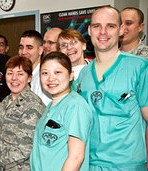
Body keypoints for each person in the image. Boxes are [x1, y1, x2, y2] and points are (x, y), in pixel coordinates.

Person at [74, 6, 148, 170]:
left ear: (121, 29)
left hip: (127, 166)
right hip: (89, 164)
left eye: (110, 26)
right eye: (97, 26)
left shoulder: (140, 67)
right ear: (89, 30)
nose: (103, 32)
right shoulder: (84, 75)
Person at [30, 52, 92, 171]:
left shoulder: (75, 106)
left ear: (70, 75)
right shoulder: (50, 106)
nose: (51, 78)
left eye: (57, 72)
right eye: (45, 73)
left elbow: (76, 157)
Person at [0, 56, 45, 170]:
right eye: (10, 73)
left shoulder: (33, 105)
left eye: (20, 74)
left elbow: (26, 148)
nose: (14, 78)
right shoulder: (7, 100)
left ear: (29, 78)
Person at [19, 30, 52, 106]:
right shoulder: (22, 75)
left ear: (40, 50)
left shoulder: (45, 76)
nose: (23, 52)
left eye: (29, 47)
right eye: (21, 47)